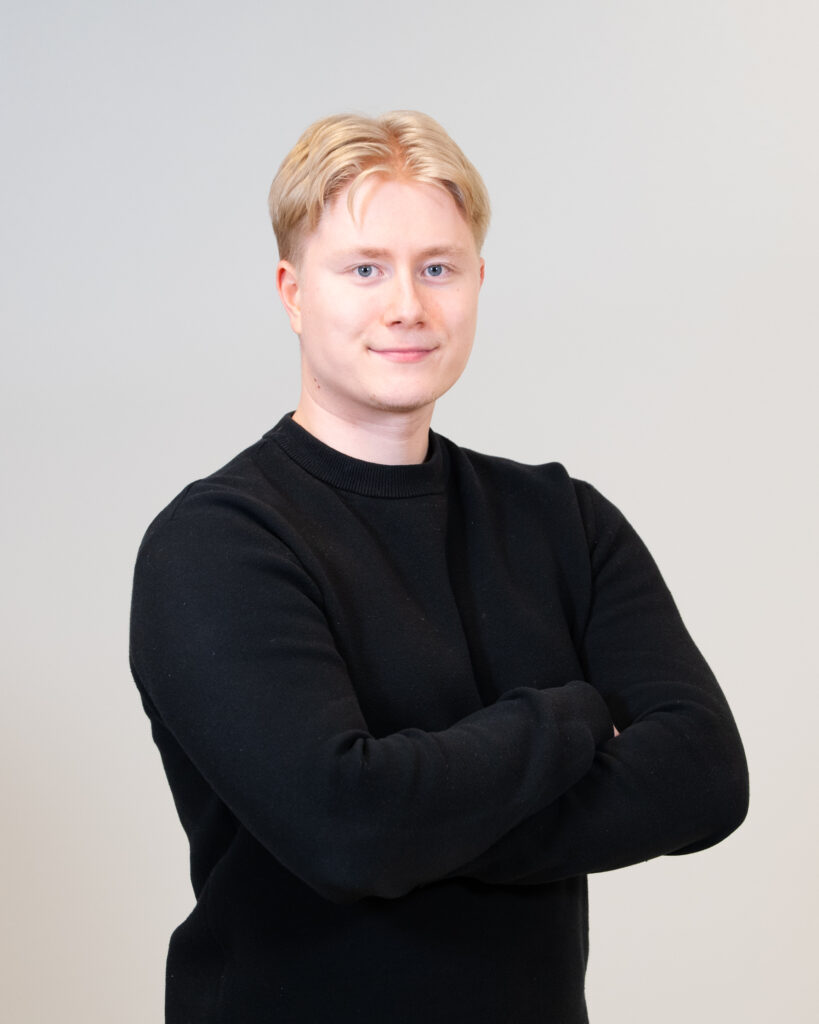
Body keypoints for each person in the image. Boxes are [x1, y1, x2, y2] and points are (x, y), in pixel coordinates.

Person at [129, 111, 748, 1023]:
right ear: (293, 292)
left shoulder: (563, 520)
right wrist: (574, 716)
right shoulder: (218, 542)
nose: (407, 307)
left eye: (437, 268)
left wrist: (411, 824)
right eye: (364, 269)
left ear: (477, 283)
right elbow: (346, 830)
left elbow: (705, 778)